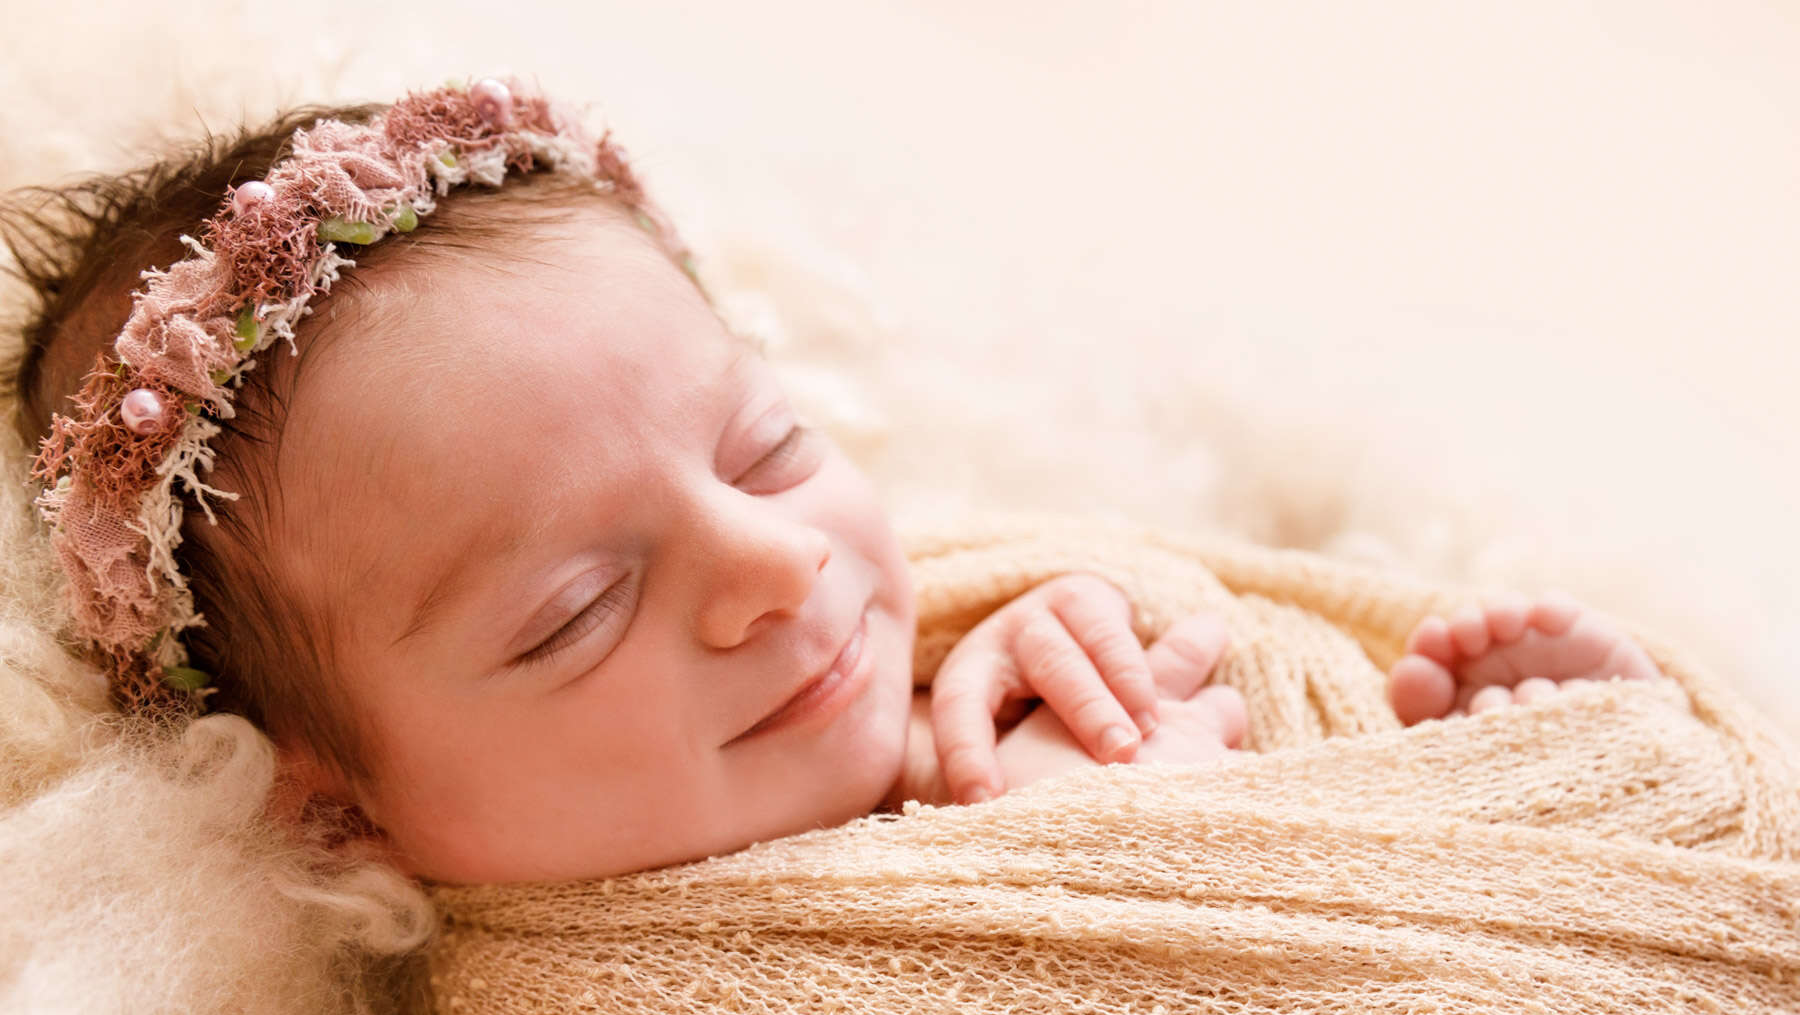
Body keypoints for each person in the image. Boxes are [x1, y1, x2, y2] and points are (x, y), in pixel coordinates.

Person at [2, 79, 1663, 887]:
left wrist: (1123, 646)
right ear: (338, 812)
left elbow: (1156, 591)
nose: (778, 566)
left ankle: (1583, 796)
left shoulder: (925, 635)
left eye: (766, 450)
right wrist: (1113, 872)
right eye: (578, 611)